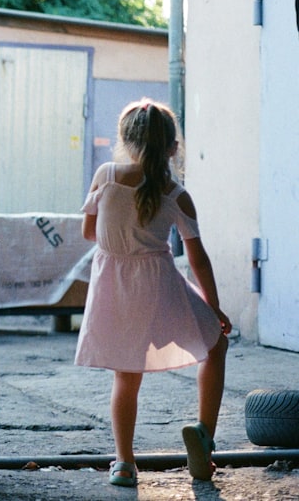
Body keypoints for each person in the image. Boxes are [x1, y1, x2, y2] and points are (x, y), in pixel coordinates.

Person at [74, 98, 231, 487]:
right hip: (160, 285)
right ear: (173, 148)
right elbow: (199, 260)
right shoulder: (176, 194)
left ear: (126, 141)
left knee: (126, 377)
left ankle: (124, 463)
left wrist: (118, 238)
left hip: (114, 287)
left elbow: (89, 233)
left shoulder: (106, 175)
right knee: (215, 347)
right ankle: (203, 438)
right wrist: (215, 308)